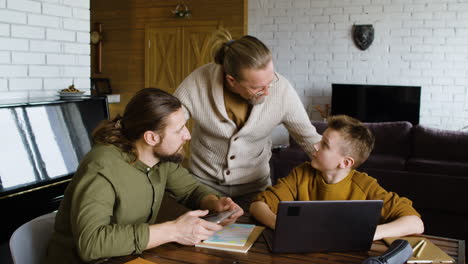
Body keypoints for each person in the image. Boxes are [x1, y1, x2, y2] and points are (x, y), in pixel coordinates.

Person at [44, 88, 243, 264]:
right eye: (179, 130)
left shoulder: (161, 159)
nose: (188, 135)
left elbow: (191, 190)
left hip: (127, 257)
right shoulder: (101, 167)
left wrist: (214, 204)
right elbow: (92, 244)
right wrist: (174, 230)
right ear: (151, 137)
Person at [174, 29, 321, 208]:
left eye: (270, 81)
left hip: (256, 189)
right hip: (203, 188)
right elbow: (168, 125)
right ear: (231, 81)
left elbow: (308, 138)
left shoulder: (282, 90)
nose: (267, 92)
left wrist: (339, 168)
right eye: (257, 87)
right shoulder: (197, 83)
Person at [250, 115, 424, 240]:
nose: (315, 146)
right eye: (320, 139)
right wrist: (284, 228)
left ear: (346, 162)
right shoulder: (301, 174)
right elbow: (258, 205)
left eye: (324, 145)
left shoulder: (365, 186)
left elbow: (415, 223)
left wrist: (371, 233)